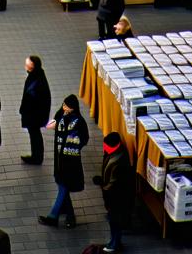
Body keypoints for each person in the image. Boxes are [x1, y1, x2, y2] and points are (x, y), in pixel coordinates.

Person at [39, 94, 89, 229]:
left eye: (66, 106)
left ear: (73, 108)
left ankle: (54, 216)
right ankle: (69, 215)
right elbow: (51, 125)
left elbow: (84, 139)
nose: (64, 107)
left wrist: (73, 143)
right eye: (63, 105)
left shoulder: (79, 121)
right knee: (62, 185)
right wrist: (53, 120)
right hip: (59, 158)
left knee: (63, 186)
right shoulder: (61, 115)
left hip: (70, 161)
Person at [93, 132, 135, 254]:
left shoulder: (119, 161)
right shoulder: (112, 154)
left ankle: (114, 244)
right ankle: (114, 241)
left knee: (115, 221)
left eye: (106, 145)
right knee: (113, 219)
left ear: (114, 146)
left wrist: (102, 184)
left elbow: (113, 184)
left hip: (117, 197)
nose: (104, 147)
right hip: (113, 196)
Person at [19, 55, 51, 165]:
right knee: (34, 134)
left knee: (35, 135)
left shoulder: (36, 82)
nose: (25, 66)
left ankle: (37, 157)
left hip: (34, 116)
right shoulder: (37, 75)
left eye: (27, 64)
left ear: (32, 66)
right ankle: (36, 155)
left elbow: (33, 99)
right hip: (34, 114)